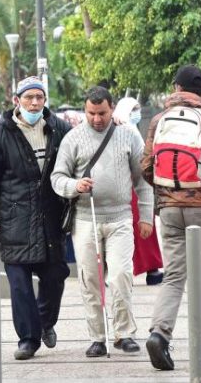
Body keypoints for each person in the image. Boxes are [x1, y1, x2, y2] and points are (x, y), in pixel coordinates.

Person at [142, 64, 201, 370]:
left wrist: (168, 191)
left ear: (176, 87)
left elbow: (146, 167)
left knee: (173, 276)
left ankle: (159, 333)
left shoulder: (158, 121)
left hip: (169, 210)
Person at [51, 87, 153, 357]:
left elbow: (143, 179)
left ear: (112, 109)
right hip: (86, 219)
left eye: (102, 113)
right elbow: (57, 178)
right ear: (85, 110)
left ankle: (124, 333)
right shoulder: (73, 138)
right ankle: (98, 337)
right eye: (91, 113)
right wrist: (75, 185)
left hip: (120, 217)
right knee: (90, 280)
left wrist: (146, 215)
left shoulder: (128, 134)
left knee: (121, 275)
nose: (97, 119)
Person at [0, 76, 72, 361]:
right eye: (28, 97)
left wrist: (116, 123)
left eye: (39, 97)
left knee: (55, 276)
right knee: (19, 285)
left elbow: (85, 143)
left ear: (45, 100)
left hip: (50, 220)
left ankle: (44, 322)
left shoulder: (59, 129)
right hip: (14, 220)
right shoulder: (1, 133)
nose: (34, 103)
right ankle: (28, 339)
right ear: (17, 100)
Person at [113, 96, 164, 286]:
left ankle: (152, 269)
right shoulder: (118, 129)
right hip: (127, 187)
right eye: (133, 110)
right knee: (130, 230)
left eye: (138, 109)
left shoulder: (132, 130)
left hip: (140, 186)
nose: (137, 113)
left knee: (145, 227)